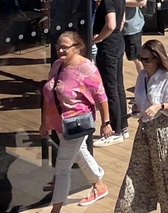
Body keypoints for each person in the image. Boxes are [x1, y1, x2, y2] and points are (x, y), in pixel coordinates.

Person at [41, 31, 113, 212]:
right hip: (58, 122)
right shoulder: (57, 65)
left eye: (64, 47)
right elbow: (48, 93)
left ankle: (55, 209)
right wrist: (44, 122)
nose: (60, 50)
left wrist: (106, 122)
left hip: (75, 123)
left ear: (78, 48)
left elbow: (101, 97)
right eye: (58, 46)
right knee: (80, 153)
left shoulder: (87, 68)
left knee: (62, 167)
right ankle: (99, 186)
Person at [112, 39, 168, 213]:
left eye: (146, 59)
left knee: (163, 175)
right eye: (140, 58)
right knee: (135, 171)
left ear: (157, 59)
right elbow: (142, 100)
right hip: (144, 127)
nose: (142, 62)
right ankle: (127, 209)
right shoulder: (142, 76)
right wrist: (137, 107)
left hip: (163, 130)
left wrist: (159, 106)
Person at [91, 0, 128, 148]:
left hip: (108, 48)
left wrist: (98, 38)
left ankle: (115, 129)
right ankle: (123, 126)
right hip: (117, 44)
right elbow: (122, 20)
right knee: (118, 86)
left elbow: (112, 24)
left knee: (110, 88)